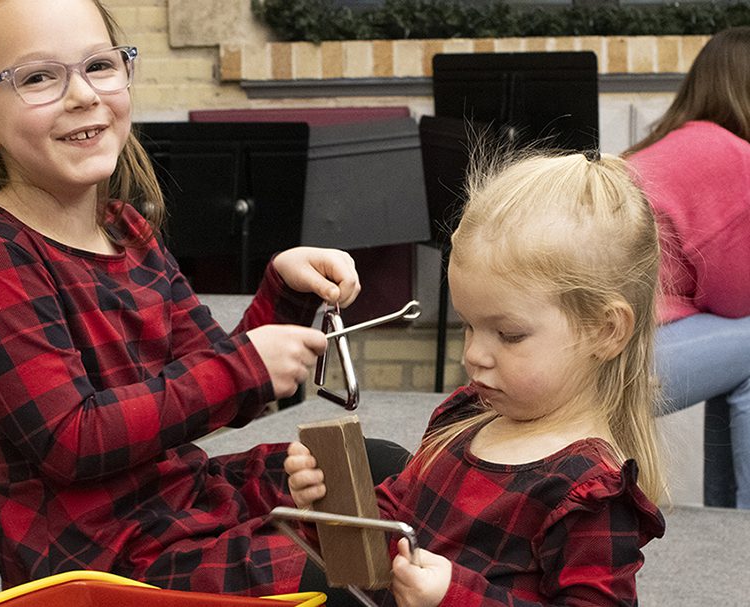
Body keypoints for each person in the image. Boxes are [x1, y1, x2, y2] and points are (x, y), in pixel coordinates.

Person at [0, 0, 374, 597]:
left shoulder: (128, 231)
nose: (83, 95)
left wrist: (283, 292)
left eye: (99, 66)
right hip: (98, 562)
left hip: (176, 508)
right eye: (38, 77)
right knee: (345, 579)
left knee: (379, 467)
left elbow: (219, 381)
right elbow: (72, 440)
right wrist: (245, 366)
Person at [286, 152, 667, 606]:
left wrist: (453, 597)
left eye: (508, 334)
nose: (474, 355)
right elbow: (393, 527)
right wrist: (330, 510)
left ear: (605, 331)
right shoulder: (467, 414)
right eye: (468, 325)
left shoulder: (590, 493)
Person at [623, 26, 750, 508]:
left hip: (589, 341)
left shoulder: (675, 143)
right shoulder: (734, 158)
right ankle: (739, 520)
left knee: (740, 363)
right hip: (622, 356)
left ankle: (731, 518)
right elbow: (736, 301)